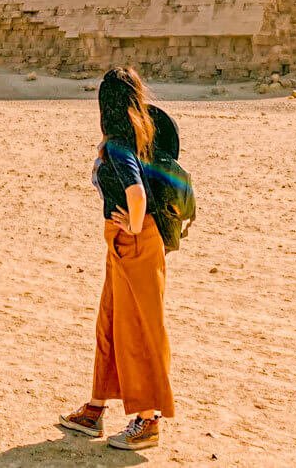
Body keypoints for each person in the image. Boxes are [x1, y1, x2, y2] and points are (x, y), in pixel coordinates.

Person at [59, 66, 174, 450]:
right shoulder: (144, 133)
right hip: (125, 243)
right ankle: (95, 408)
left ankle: (148, 421)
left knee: (139, 330)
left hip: (135, 244)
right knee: (109, 324)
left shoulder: (120, 144)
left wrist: (135, 227)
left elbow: (137, 194)